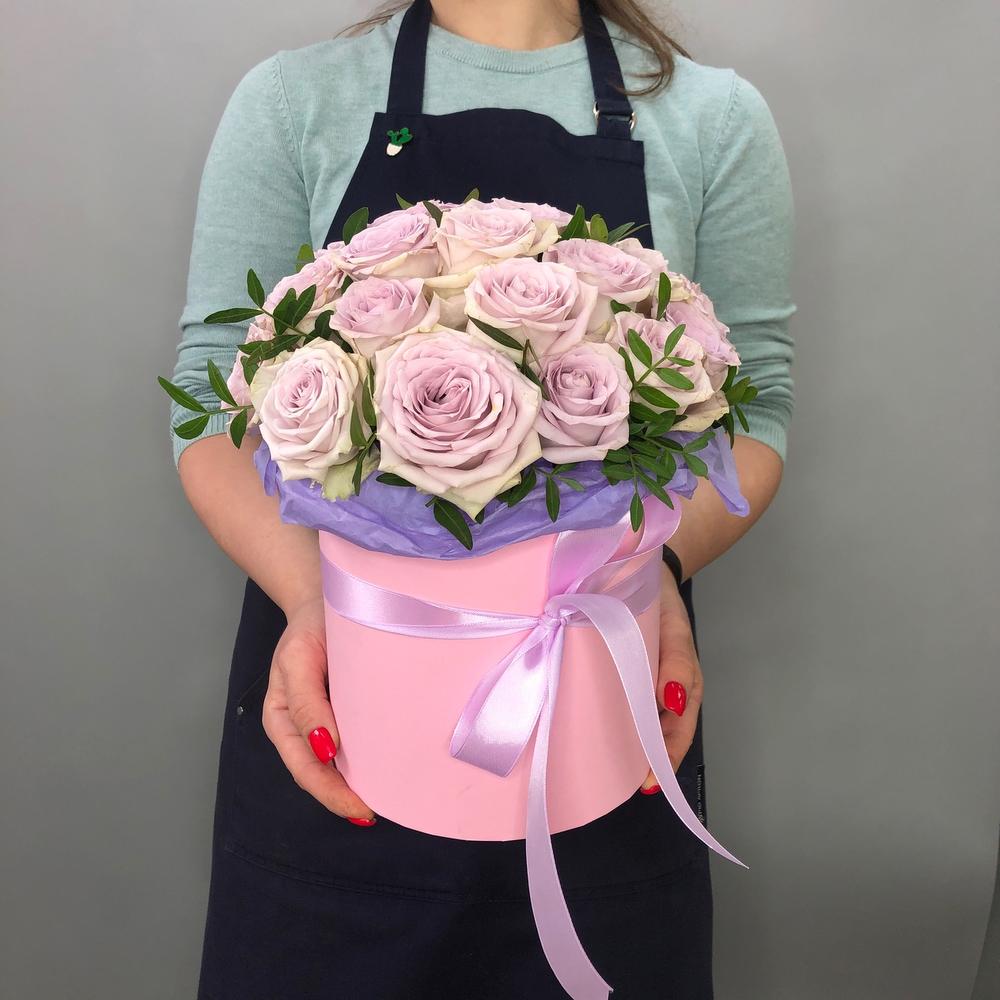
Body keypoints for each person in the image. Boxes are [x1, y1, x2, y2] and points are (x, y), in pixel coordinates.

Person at [169, 1, 795, 997]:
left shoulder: (712, 120)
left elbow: (756, 410)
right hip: (347, 693)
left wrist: (655, 574)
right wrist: (315, 603)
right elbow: (213, 406)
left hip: (598, 689)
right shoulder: (295, 101)